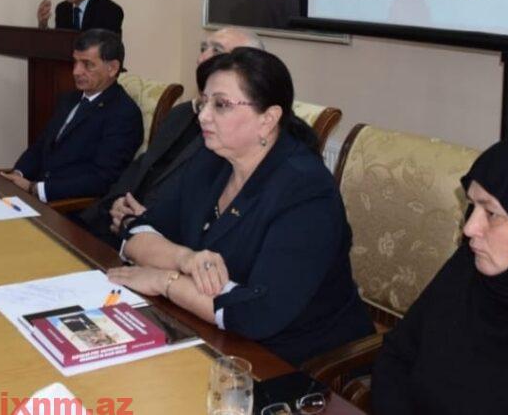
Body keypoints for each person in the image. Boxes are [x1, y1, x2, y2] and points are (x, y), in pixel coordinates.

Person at [108, 48, 372, 365]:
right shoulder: (211, 159)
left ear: (268, 119)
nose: (203, 116)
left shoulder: (305, 189)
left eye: (220, 105)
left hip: (295, 358)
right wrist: (184, 258)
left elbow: (257, 312)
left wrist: (165, 280)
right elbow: (137, 230)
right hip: (209, 330)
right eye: (203, 102)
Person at [372, 134, 508, 414]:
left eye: (491, 213)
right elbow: (397, 355)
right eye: (473, 205)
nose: (469, 228)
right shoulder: (469, 265)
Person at [78, 27, 264, 246]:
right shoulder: (181, 113)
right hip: (114, 226)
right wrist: (116, 203)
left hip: (160, 242)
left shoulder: (238, 137)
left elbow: (202, 207)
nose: (201, 59)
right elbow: (143, 165)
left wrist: (142, 222)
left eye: (216, 51)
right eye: (203, 49)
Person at [0, 29, 142, 203]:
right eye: (75, 62)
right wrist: (18, 173)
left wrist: (35, 189)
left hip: (69, 207)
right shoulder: (69, 99)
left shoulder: (123, 113)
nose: (76, 71)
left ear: (112, 68)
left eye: (87, 64)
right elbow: (41, 146)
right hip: (34, 195)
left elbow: (102, 179)